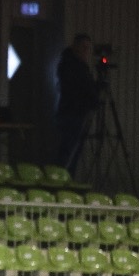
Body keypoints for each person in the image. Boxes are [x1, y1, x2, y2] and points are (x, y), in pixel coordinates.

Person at [55, 33, 102, 175]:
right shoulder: (74, 67)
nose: (86, 52)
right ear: (76, 47)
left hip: (72, 114)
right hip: (73, 114)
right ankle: (63, 179)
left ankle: (65, 178)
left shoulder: (69, 64)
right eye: (84, 48)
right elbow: (84, 90)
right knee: (69, 151)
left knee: (70, 150)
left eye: (88, 48)